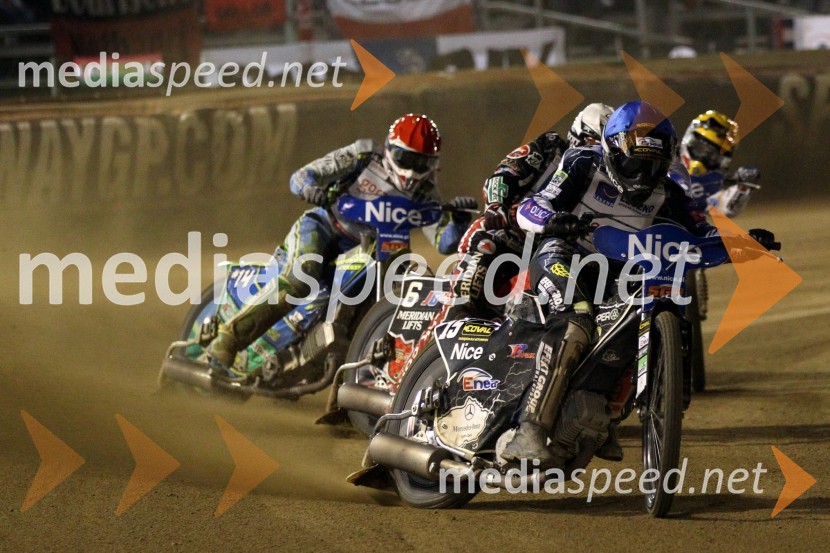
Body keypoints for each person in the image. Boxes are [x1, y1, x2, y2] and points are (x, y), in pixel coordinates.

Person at [502, 101, 777, 466]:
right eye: (634, 163)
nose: (643, 176)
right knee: (577, 322)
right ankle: (529, 431)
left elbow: (700, 230)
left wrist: (743, 241)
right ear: (614, 151)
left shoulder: (670, 191)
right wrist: (554, 221)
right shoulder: (582, 162)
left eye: (653, 166)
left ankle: (603, 414)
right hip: (564, 255)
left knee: (630, 321)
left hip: (620, 270)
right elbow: (533, 204)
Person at [205, 113, 477, 374]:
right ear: (390, 149)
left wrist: (459, 220)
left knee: (399, 295)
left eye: (422, 163)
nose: (412, 171)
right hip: (325, 228)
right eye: (406, 158)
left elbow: (443, 242)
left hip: (379, 249)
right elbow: (301, 176)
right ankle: (226, 342)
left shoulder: (426, 190)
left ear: (433, 163)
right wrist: (311, 189)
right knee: (302, 277)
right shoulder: (362, 156)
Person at [401, 103, 614, 375]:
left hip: (556, 255)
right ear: (577, 134)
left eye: (603, 146)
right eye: (591, 141)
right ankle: (407, 381)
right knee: (465, 299)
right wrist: (496, 206)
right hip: (505, 238)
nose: (595, 150)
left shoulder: (611, 181)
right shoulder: (550, 149)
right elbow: (504, 174)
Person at [675, 110, 761, 322]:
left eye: (718, 154)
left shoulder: (715, 179)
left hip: (690, 233)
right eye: (707, 150)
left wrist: (742, 188)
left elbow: (724, 207)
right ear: (693, 142)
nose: (711, 158)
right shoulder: (666, 157)